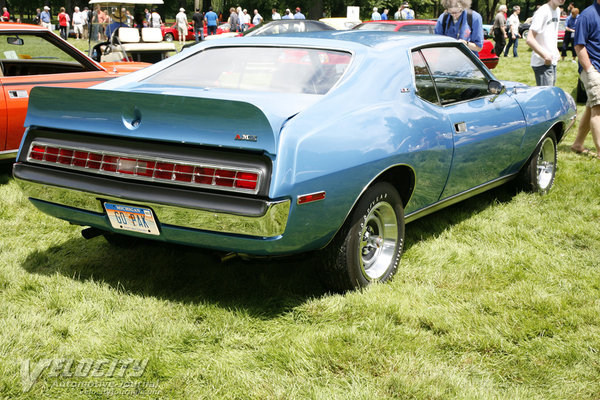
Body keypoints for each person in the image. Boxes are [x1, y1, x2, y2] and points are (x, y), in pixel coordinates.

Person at [570, 0, 600, 159]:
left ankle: (577, 144)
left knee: (591, 107)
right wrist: (589, 70)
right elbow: (579, 46)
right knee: (599, 109)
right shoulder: (587, 15)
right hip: (592, 68)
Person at [526, 0, 564, 86]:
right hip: (542, 63)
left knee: (551, 94)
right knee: (547, 97)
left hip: (552, 60)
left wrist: (556, 50)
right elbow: (529, 39)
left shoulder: (557, 10)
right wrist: (546, 56)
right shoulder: (542, 12)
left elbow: (550, 34)